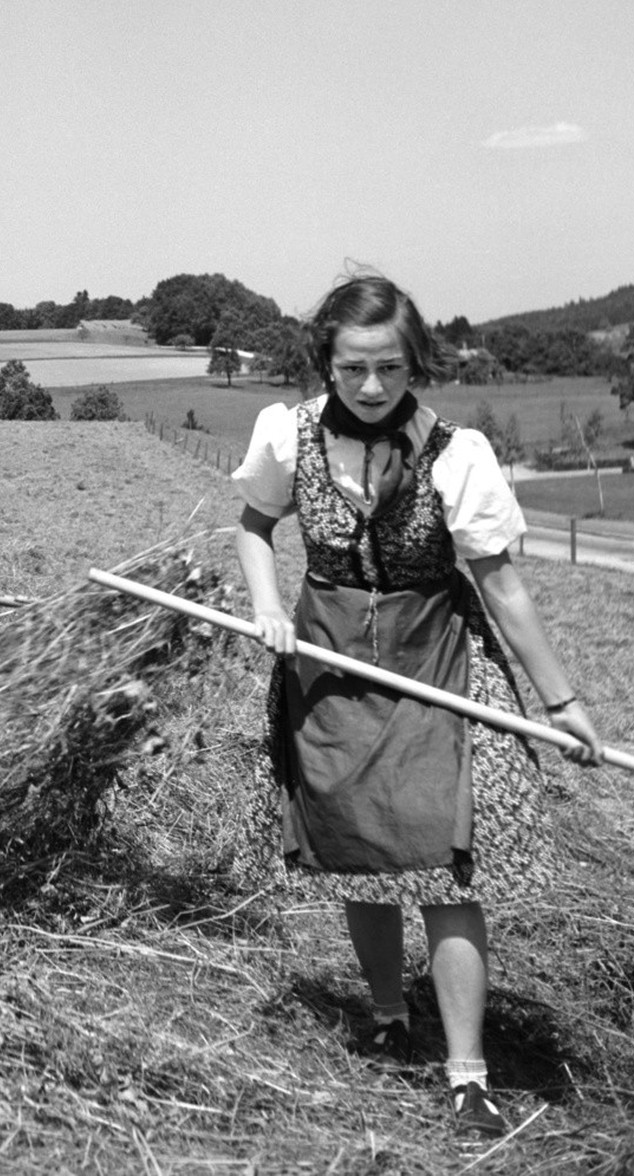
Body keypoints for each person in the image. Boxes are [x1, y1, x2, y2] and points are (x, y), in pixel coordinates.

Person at [230, 274, 603, 1139]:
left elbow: (502, 587)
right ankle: (392, 1015)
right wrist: (269, 608)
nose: (370, 388)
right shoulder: (286, 435)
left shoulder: (457, 453)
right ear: (325, 361)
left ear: (414, 363)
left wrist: (564, 702)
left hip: (433, 660)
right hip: (325, 667)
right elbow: (254, 527)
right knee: (359, 844)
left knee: (444, 860)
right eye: (352, 369)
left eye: (389, 369)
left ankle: (468, 1072)